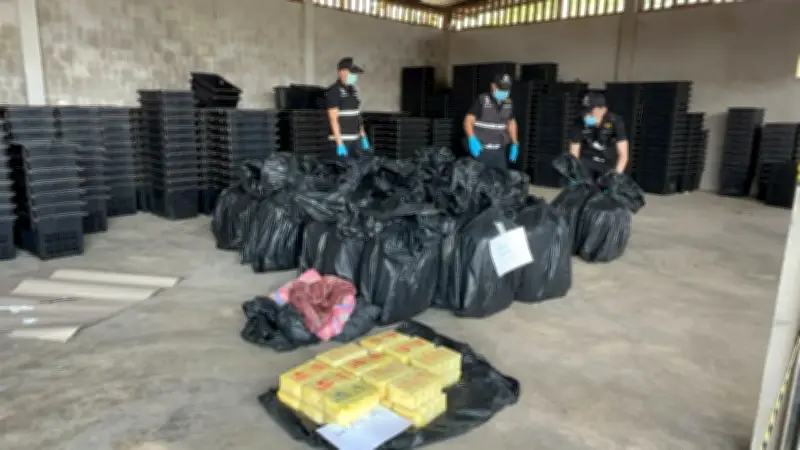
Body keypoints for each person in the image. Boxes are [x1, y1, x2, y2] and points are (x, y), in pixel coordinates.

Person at [569, 91, 629, 181]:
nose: (586, 116)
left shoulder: (615, 122)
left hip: (608, 163)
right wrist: (575, 175)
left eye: (590, 112)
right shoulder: (578, 123)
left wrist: (616, 177)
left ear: (603, 110)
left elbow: (623, 156)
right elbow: (574, 154)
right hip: (587, 161)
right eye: (585, 112)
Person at [463, 73, 519, 169]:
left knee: (499, 177)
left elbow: (511, 123)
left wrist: (515, 143)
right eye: (501, 89)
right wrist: (472, 139)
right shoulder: (482, 100)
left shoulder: (509, 103)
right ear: (493, 86)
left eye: (506, 90)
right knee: (480, 177)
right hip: (481, 149)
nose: (503, 92)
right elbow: (468, 121)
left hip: (499, 151)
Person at [325, 57, 370, 158]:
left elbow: (357, 116)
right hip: (342, 141)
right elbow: (333, 119)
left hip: (356, 140)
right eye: (352, 73)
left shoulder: (353, 91)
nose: (354, 76)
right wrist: (339, 144)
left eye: (355, 74)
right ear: (342, 72)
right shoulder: (334, 91)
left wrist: (363, 137)